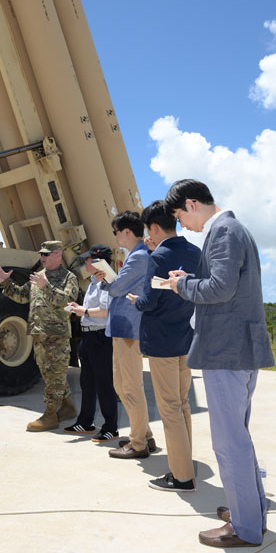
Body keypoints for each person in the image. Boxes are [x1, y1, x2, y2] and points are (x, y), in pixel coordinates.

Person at [165, 179, 273, 547]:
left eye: (180, 217)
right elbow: (225, 285)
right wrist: (191, 279)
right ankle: (250, 512)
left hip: (226, 351)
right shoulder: (234, 230)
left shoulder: (224, 231)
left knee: (229, 443)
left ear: (192, 204)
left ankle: (244, 527)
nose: (183, 226)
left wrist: (181, 286)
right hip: (238, 349)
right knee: (238, 438)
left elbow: (220, 289)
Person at [127, 201, 201, 491]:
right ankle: (185, 464)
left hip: (161, 341)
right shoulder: (195, 252)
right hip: (186, 336)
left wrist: (136, 300)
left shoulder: (157, 256)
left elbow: (148, 301)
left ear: (154, 228)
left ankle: (181, 477)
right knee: (181, 405)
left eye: (149, 231)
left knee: (170, 408)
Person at [0, 240, 79, 432]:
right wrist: (5, 282)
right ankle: (67, 407)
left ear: (58, 254)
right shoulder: (38, 277)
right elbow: (21, 296)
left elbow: (68, 302)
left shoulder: (69, 278)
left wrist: (47, 287)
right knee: (49, 374)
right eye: (41, 254)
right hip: (38, 334)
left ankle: (50, 415)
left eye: (46, 254)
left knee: (55, 374)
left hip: (56, 336)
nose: (42, 258)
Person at [96, 211, 155, 460]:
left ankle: (138, 442)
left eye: (116, 232)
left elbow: (118, 288)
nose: (116, 237)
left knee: (128, 386)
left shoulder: (138, 256)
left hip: (128, 328)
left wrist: (106, 281)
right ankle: (145, 434)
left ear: (127, 232)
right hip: (125, 327)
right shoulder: (137, 255)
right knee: (126, 384)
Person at [65, 244, 119, 442]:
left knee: (104, 383)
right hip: (89, 336)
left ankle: (111, 427)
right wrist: (79, 308)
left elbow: (105, 311)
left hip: (100, 336)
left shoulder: (107, 280)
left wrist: (84, 312)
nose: (85, 263)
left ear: (98, 261)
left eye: (88, 260)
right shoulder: (94, 282)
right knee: (87, 382)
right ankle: (86, 422)